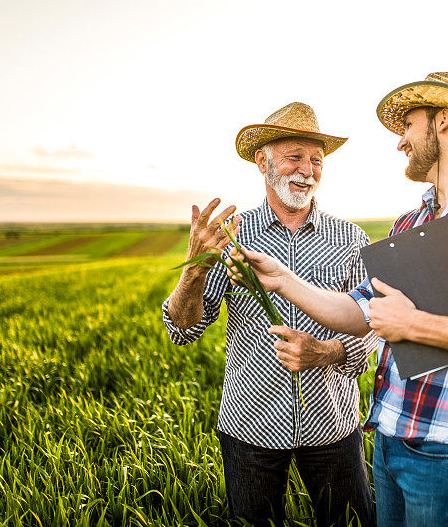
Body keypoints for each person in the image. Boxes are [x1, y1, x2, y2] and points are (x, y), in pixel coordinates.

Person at [228, 73, 448, 526]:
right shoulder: (411, 222)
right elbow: (360, 311)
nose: (400, 141)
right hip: (388, 441)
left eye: (408, 124)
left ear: (442, 119)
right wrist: (283, 279)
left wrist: (413, 325)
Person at [161, 102, 377, 526]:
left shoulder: (351, 238)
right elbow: (182, 328)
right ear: (263, 161)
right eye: (295, 156)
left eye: (317, 160)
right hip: (251, 429)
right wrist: (195, 264)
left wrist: (327, 351)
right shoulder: (232, 236)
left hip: (332, 426)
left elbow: (372, 323)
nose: (308, 169)